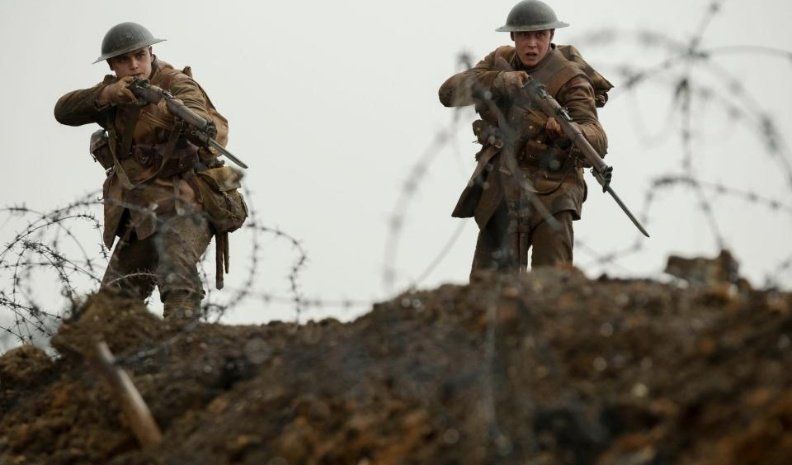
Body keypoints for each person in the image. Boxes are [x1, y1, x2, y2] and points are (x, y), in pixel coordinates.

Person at [54, 22, 228, 320]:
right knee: (112, 304)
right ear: (112, 65)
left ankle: (183, 339)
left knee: (175, 270)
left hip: (190, 200)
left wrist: (167, 110)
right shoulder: (117, 93)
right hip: (144, 210)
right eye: (124, 60)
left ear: (151, 53)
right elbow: (63, 111)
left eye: (140, 56)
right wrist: (109, 95)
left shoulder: (177, 83)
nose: (134, 65)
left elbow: (200, 118)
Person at [438, 0, 610, 277]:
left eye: (539, 35)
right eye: (524, 35)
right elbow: (448, 93)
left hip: (554, 188)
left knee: (550, 280)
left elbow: (597, 138)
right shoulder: (499, 61)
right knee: (489, 285)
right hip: (503, 184)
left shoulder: (571, 79)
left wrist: (567, 131)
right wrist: (500, 82)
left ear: (551, 35)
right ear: (513, 37)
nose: (532, 44)